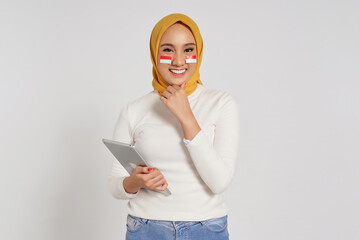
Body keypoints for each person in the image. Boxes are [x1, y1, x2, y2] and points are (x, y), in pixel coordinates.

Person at [108, 13, 240, 240]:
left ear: (198, 52)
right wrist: (136, 181)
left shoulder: (221, 104)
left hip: (206, 229)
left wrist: (186, 116)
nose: (179, 61)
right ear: (154, 53)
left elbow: (219, 183)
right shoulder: (134, 110)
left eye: (188, 50)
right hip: (147, 228)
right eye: (168, 49)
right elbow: (114, 185)